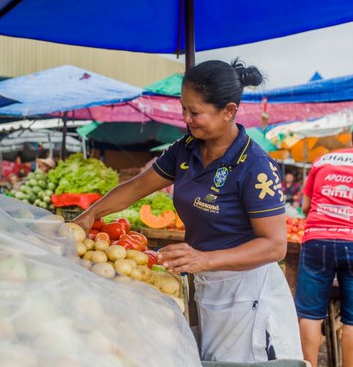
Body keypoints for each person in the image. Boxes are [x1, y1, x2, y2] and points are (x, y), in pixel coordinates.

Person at [73, 59, 302, 363]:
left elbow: (275, 246)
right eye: (183, 108)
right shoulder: (186, 148)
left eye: (195, 112)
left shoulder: (255, 165)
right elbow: (137, 187)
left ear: (229, 111)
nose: (186, 119)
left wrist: (204, 258)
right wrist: (91, 214)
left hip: (249, 292)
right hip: (207, 283)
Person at [294, 145, 353, 367]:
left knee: (310, 314)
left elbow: (306, 206)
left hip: (317, 240)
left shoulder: (322, 160)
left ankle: (308, 364)